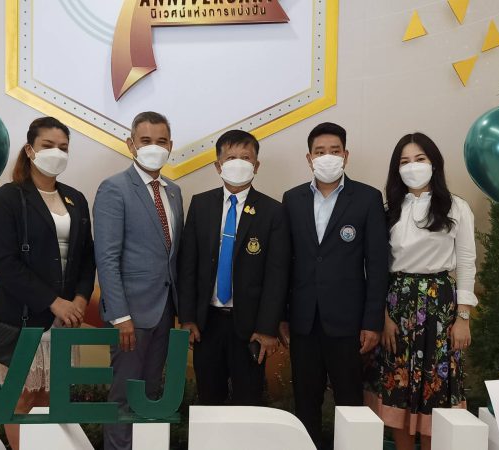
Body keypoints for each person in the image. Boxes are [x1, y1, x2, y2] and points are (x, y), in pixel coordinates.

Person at [0, 116, 96, 450]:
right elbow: (2, 262)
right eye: (48, 146)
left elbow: (86, 256)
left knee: (51, 401)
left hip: (63, 322)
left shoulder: (76, 199)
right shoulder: (7, 198)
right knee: (20, 401)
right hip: (19, 317)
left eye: (63, 147)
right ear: (30, 150)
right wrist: (53, 301)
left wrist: (80, 298)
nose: (56, 153)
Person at [364, 132, 477, 450]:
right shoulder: (389, 210)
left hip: (440, 307)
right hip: (397, 303)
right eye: (405, 161)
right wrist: (383, 316)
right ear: (396, 169)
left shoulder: (456, 207)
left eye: (420, 159)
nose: (412, 166)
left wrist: (463, 318)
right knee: (397, 385)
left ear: (434, 163)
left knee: (435, 389)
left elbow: (466, 262)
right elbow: (376, 267)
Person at [280, 122, 389, 449]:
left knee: (350, 403)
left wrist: (372, 321)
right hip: (303, 321)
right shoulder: (292, 199)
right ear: (309, 158)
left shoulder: (368, 198)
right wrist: (282, 316)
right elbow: (284, 263)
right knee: (305, 403)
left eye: (334, 151)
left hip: (349, 323)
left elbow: (377, 265)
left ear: (346, 155)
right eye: (319, 151)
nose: (327, 157)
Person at [178, 129, 290, 406]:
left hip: (251, 328)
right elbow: (188, 265)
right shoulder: (201, 205)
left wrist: (267, 328)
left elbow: (277, 275)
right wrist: (187, 318)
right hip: (207, 324)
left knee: (248, 402)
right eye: (230, 158)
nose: (238, 163)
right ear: (218, 165)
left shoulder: (273, 211)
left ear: (256, 165)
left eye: (245, 158)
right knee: (209, 400)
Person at [93, 111, 183, 450]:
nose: (153, 147)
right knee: (124, 398)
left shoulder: (173, 192)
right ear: (131, 144)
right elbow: (107, 257)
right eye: (146, 140)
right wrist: (120, 316)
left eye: (161, 141)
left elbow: (170, 256)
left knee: (151, 396)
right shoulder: (114, 188)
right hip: (129, 315)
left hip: (164, 312)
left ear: (170, 145)